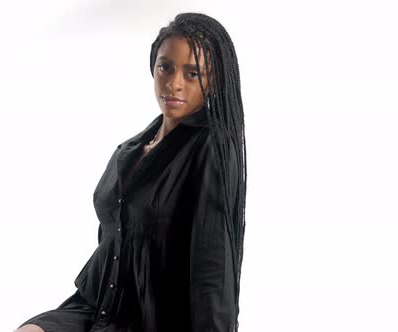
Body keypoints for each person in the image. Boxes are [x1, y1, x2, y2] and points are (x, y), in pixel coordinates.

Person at [15, 12, 247, 332]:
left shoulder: (211, 148)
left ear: (214, 81)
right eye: (165, 67)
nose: (174, 83)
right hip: (100, 306)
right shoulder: (133, 147)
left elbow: (212, 268)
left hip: (156, 319)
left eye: (193, 73)